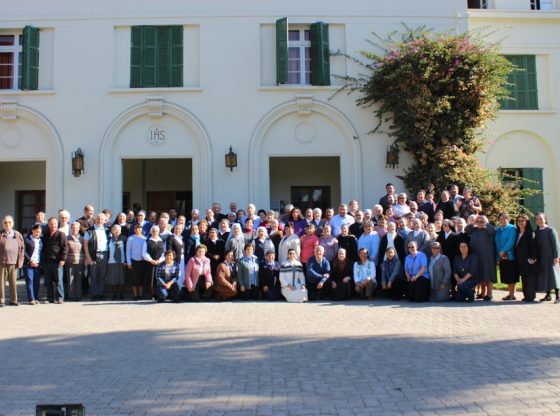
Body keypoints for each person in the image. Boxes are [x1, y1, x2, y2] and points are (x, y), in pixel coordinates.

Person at [466, 215, 496, 301]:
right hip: (476, 255)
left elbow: (492, 231)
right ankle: (483, 293)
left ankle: (489, 294)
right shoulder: (474, 229)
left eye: (481, 221)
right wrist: (473, 223)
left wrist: (486, 224)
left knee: (488, 273)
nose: (479, 223)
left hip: (487, 255)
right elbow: (467, 230)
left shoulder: (488, 229)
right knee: (480, 274)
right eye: (478, 221)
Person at [534, 213, 560, 303]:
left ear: (545, 219)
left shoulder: (550, 230)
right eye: (537, 219)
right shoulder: (536, 232)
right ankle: (548, 295)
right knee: (545, 276)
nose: (539, 220)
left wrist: (557, 257)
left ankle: (558, 296)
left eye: (541, 218)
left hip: (551, 257)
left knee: (554, 276)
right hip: (541, 257)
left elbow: (556, 244)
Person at [41, 217, 68, 304]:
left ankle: (60, 298)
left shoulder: (61, 234)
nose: (53, 225)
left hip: (57, 261)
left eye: (55, 224)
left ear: (57, 224)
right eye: (51, 224)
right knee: (48, 281)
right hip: (47, 262)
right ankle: (50, 298)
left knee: (59, 281)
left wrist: (63, 259)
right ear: (48, 225)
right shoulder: (45, 235)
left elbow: (65, 247)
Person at [84, 213, 110, 301]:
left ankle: (101, 293)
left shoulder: (107, 230)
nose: (100, 221)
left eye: (102, 219)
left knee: (102, 276)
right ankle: (94, 294)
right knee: (93, 275)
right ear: (95, 220)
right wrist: (88, 257)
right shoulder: (89, 230)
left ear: (104, 221)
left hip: (104, 254)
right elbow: (85, 245)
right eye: (98, 219)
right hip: (93, 255)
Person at [0, 215, 25, 306]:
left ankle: (13, 300)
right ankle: (1, 300)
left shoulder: (17, 235)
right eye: (5, 222)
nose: (7, 224)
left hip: (14, 262)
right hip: (1, 262)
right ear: (3, 224)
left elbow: (22, 249)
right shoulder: (1, 234)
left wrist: (21, 261)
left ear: (13, 224)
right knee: (1, 283)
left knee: (13, 283)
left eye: (9, 222)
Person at [495, 213, 518, 301]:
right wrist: (499, 254)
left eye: (505, 218)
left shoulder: (512, 228)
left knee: (511, 275)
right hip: (501, 256)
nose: (503, 220)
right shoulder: (498, 230)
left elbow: (511, 241)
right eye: (501, 219)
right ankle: (510, 294)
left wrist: (503, 251)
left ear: (508, 219)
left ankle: (512, 294)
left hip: (510, 255)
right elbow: (496, 242)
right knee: (506, 276)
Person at [514, 214, 537, 302]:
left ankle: (530, 296)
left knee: (530, 278)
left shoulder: (530, 233)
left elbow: (533, 246)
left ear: (526, 222)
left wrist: (532, 258)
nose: (520, 222)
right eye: (518, 221)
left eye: (522, 221)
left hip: (528, 259)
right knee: (524, 277)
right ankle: (526, 295)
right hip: (520, 259)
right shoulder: (517, 232)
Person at [142, 225, 165, 296]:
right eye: (153, 231)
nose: (155, 232)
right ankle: (152, 294)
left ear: (158, 232)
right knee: (151, 279)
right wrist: (151, 260)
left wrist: (159, 260)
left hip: (160, 263)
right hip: (150, 264)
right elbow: (144, 253)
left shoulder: (162, 241)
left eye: (156, 231)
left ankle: (160, 294)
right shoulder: (147, 241)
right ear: (151, 232)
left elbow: (165, 253)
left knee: (159, 279)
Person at [23, 223, 43, 305]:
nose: (37, 233)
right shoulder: (27, 240)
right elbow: (23, 252)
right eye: (36, 231)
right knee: (30, 281)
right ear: (32, 231)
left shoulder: (41, 241)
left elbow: (40, 253)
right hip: (28, 264)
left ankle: (36, 297)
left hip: (37, 264)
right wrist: (30, 261)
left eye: (39, 232)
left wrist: (38, 262)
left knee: (36, 282)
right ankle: (31, 299)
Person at [65, 222, 85, 301]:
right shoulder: (67, 238)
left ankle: (78, 296)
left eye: (76, 228)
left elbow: (85, 250)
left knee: (79, 279)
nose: (75, 229)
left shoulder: (82, 238)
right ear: (71, 228)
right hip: (69, 261)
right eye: (73, 227)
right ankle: (71, 296)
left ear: (79, 229)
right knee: (70, 279)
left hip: (80, 261)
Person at [126, 223, 147, 300]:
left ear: (141, 229)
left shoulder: (145, 238)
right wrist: (129, 262)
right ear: (134, 230)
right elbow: (128, 251)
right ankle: (135, 295)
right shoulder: (130, 238)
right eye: (136, 228)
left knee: (141, 278)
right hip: (133, 261)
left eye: (139, 228)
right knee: (134, 279)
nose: (138, 229)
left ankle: (141, 295)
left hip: (142, 261)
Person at [106, 224, 127, 300]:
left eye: (118, 229)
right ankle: (114, 294)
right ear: (112, 231)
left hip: (122, 261)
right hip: (112, 261)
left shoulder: (124, 239)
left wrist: (126, 261)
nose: (116, 230)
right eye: (115, 229)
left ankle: (121, 294)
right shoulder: (109, 239)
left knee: (121, 279)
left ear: (120, 231)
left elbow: (127, 251)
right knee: (113, 279)